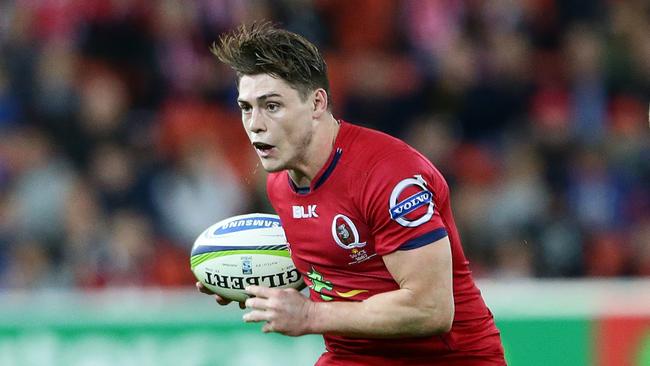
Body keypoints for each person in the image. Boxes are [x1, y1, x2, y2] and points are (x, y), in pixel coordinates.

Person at [197, 21, 506, 365]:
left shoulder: (388, 176)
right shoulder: (280, 184)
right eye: (246, 107)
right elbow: (340, 267)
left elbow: (430, 308)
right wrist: (250, 276)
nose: (255, 123)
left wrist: (311, 316)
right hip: (354, 357)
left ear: (316, 103)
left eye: (272, 106)